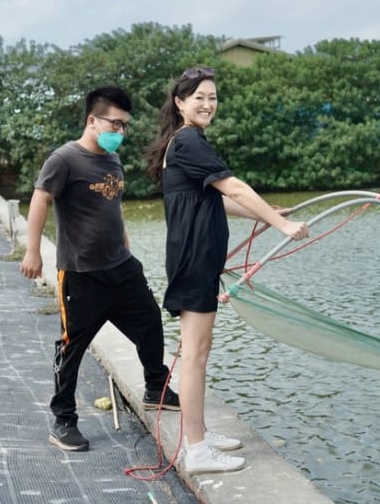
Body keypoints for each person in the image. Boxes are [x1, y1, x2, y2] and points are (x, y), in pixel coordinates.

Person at [144, 67, 309, 474]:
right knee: (195, 354)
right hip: (194, 260)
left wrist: (268, 214)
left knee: (199, 351)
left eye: (213, 97)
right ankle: (197, 450)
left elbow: (217, 199)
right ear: (180, 102)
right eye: (199, 97)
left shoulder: (187, 141)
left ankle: (198, 432)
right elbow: (234, 186)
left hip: (197, 259)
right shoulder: (188, 140)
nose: (207, 104)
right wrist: (281, 225)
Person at [20, 85, 179, 452]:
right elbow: (40, 198)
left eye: (124, 126)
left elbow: (114, 204)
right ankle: (63, 420)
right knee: (71, 349)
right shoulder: (64, 159)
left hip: (121, 268)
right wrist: (33, 251)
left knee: (150, 322)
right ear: (93, 120)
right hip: (81, 275)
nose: (120, 132)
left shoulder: (112, 159)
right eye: (114, 124)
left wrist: (126, 245)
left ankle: (156, 388)